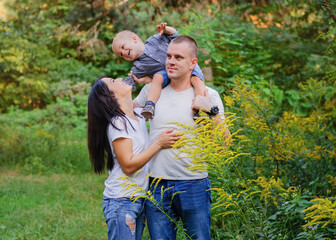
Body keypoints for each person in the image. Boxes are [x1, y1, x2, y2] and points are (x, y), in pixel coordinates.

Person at [134, 36, 231, 240]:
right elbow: (123, 112)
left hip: (194, 184)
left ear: (192, 63)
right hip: (156, 184)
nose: (171, 61)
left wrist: (212, 112)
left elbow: (225, 145)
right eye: (169, 56)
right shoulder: (151, 92)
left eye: (178, 57)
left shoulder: (208, 95)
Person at [87, 76, 181, 240]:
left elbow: (156, 89)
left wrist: (149, 78)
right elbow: (128, 166)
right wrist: (159, 144)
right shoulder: (119, 123)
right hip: (121, 200)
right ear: (111, 97)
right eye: (114, 82)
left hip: (138, 197)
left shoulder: (138, 114)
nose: (119, 78)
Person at [112, 22, 206, 120]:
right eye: (121, 54)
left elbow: (174, 35)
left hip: (185, 67)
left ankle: (201, 109)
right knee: (157, 77)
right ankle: (150, 106)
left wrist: (166, 29)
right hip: (166, 74)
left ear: (134, 39)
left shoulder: (154, 40)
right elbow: (128, 83)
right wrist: (116, 93)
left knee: (196, 79)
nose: (123, 53)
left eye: (123, 47)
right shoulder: (138, 67)